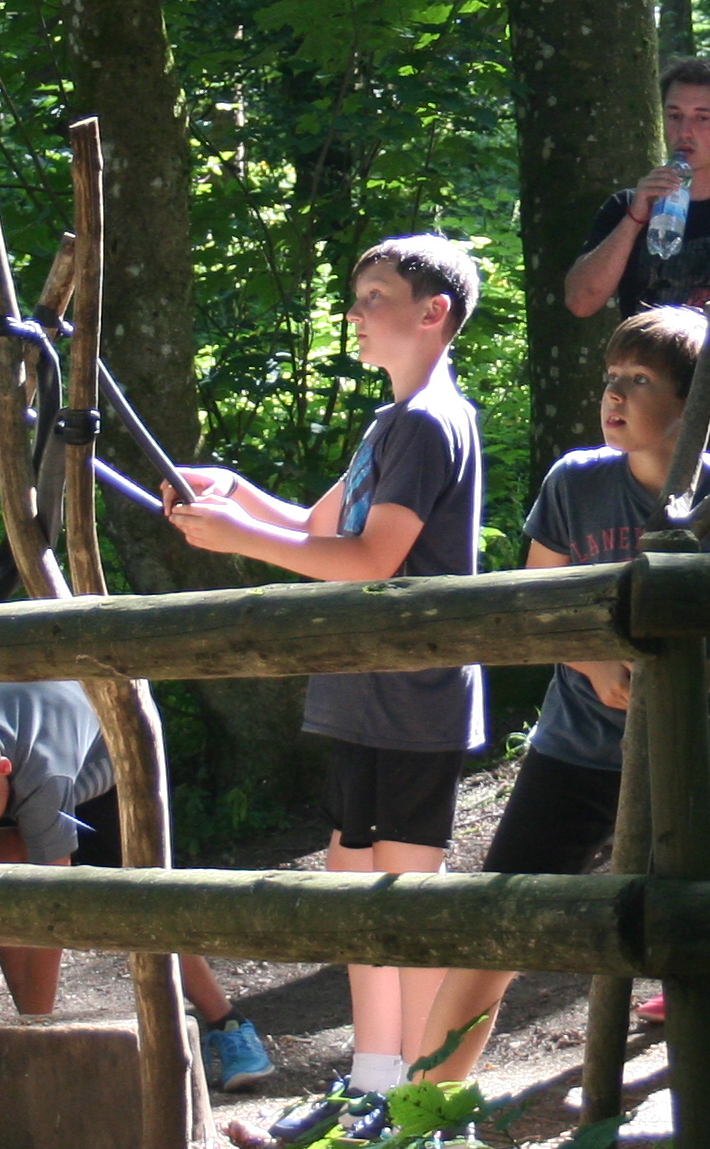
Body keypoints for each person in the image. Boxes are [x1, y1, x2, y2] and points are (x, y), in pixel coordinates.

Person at [405, 307, 710, 1095]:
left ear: (697, 404)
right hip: (571, 751)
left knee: (700, 950)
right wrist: (591, 663)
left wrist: (691, 681)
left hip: (686, 759)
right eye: (611, 378)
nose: (614, 395)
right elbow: (535, 601)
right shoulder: (576, 483)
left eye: (639, 381)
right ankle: (421, 1121)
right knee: (495, 932)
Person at [165, 235, 487, 1100]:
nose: (356, 312)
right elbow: (318, 528)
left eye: (375, 296)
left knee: (405, 899)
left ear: (434, 313)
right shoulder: (392, 422)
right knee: (355, 888)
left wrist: (238, 538)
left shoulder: (429, 422)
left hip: (413, 697)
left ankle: (422, 1096)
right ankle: (373, 1082)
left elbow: (372, 559)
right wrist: (233, 493)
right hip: (362, 693)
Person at [0, 684, 276, 1091]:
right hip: (22, 766)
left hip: (105, 763)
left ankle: (228, 1025)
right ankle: (30, 1033)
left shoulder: (47, 773)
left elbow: (53, 911)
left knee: (138, 901)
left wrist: (37, 1036)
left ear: (2, 769)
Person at [563, 60, 710, 451]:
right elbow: (581, 301)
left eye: (702, 118)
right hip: (643, 415)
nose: (685, 132)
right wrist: (636, 216)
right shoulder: (626, 207)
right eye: (674, 116)